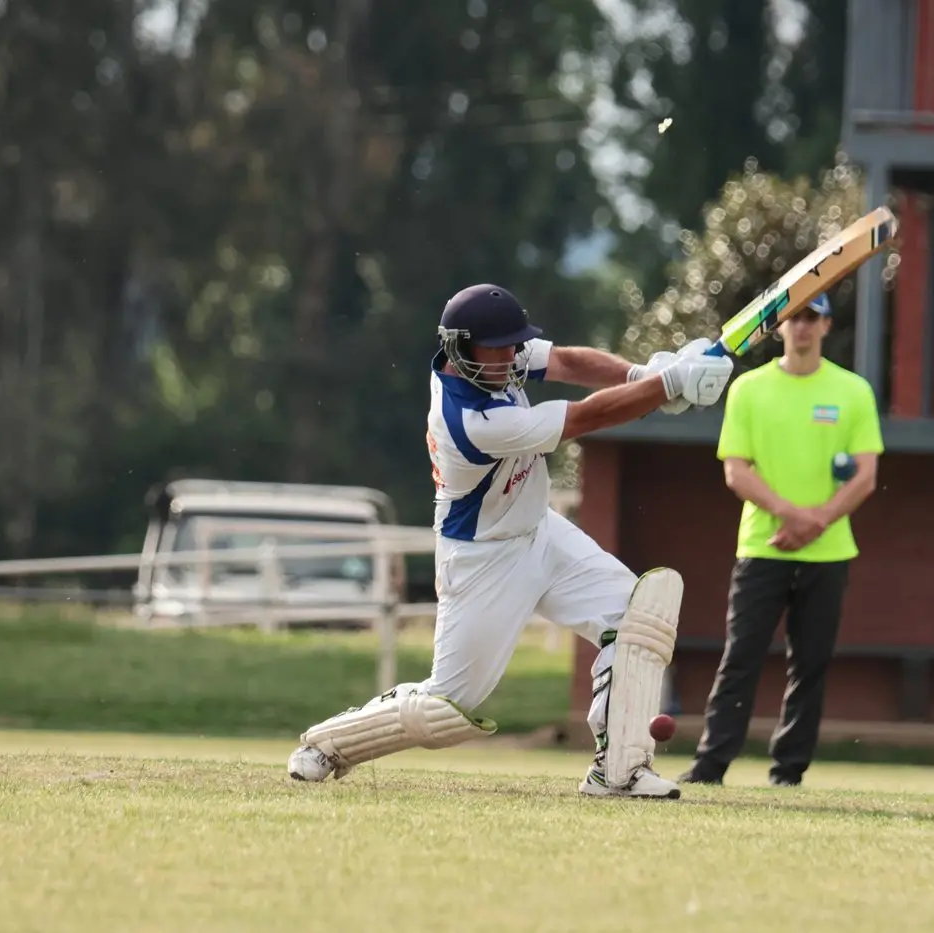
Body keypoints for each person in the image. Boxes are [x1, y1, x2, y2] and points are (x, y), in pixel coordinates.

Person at [287, 283, 734, 798]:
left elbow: (568, 361)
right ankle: (328, 744)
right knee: (446, 705)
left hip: (540, 531)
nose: (507, 357)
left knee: (635, 618)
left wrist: (642, 375)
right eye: (495, 348)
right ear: (459, 347)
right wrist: (668, 383)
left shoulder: (503, 356)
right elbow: (588, 416)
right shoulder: (471, 421)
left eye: (512, 345)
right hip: (483, 558)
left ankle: (619, 772)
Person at [679, 294, 883, 788]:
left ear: (827, 325)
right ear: (777, 328)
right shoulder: (748, 389)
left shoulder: (852, 390)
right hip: (762, 546)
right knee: (741, 659)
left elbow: (866, 475)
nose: (802, 327)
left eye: (812, 317)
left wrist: (819, 522)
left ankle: (788, 771)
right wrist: (794, 516)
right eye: (794, 317)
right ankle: (711, 765)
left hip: (829, 551)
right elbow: (736, 471)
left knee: (810, 664)